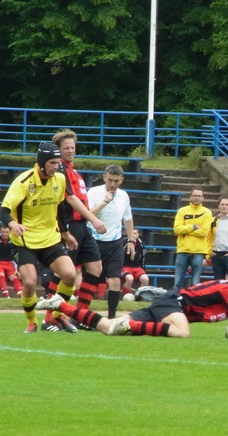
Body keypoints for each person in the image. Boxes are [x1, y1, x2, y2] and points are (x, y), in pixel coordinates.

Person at [37, 269, 228, 342]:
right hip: (172, 303)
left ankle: (60, 305)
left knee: (106, 327)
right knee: (182, 332)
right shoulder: (227, 290)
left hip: (168, 306)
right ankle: (130, 325)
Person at [0, 141, 78, 333]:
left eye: (58, 162)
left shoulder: (59, 179)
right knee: (29, 282)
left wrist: (66, 233)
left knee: (70, 275)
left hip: (50, 239)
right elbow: (3, 211)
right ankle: (32, 321)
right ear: (42, 162)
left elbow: (59, 209)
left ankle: (57, 317)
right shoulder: (23, 182)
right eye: (52, 162)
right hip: (25, 241)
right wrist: (13, 224)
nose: (56, 166)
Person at [41, 129, 107, 332]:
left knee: (95, 268)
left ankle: (81, 317)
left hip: (81, 226)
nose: (70, 151)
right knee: (64, 273)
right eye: (66, 148)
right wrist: (94, 218)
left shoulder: (73, 170)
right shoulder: (60, 169)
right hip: (68, 225)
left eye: (72, 147)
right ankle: (50, 318)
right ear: (58, 151)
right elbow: (70, 198)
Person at [88, 164, 135, 318]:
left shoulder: (124, 196)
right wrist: (104, 202)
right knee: (90, 279)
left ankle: (111, 317)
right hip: (94, 241)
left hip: (115, 243)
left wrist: (131, 241)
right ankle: (81, 314)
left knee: (115, 279)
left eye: (116, 181)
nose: (112, 184)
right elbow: (87, 214)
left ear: (121, 180)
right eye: (110, 180)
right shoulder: (94, 193)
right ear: (104, 177)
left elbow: (127, 219)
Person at [173, 186, 212, 289]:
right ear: (191, 197)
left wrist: (186, 231)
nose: (197, 198)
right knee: (178, 283)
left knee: (195, 283)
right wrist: (193, 227)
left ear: (203, 198)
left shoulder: (207, 213)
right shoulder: (182, 211)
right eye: (195, 195)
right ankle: (174, 302)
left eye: (199, 196)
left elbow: (204, 232)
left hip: (198, 252)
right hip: (183, 250)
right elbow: (177, 229)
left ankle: (194, 303)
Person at [122, 228, 149, 297]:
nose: (133, 235)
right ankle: (126, 297)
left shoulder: (141, 243)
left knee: (145, 279)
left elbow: (143, 257)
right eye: (131, 233)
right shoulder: (124, 242)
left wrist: (143, 269)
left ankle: (139, 297)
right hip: (125, 266)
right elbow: (119, 256)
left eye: (134, 233)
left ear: (138, 235)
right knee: (129, 278)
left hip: (136, 267)